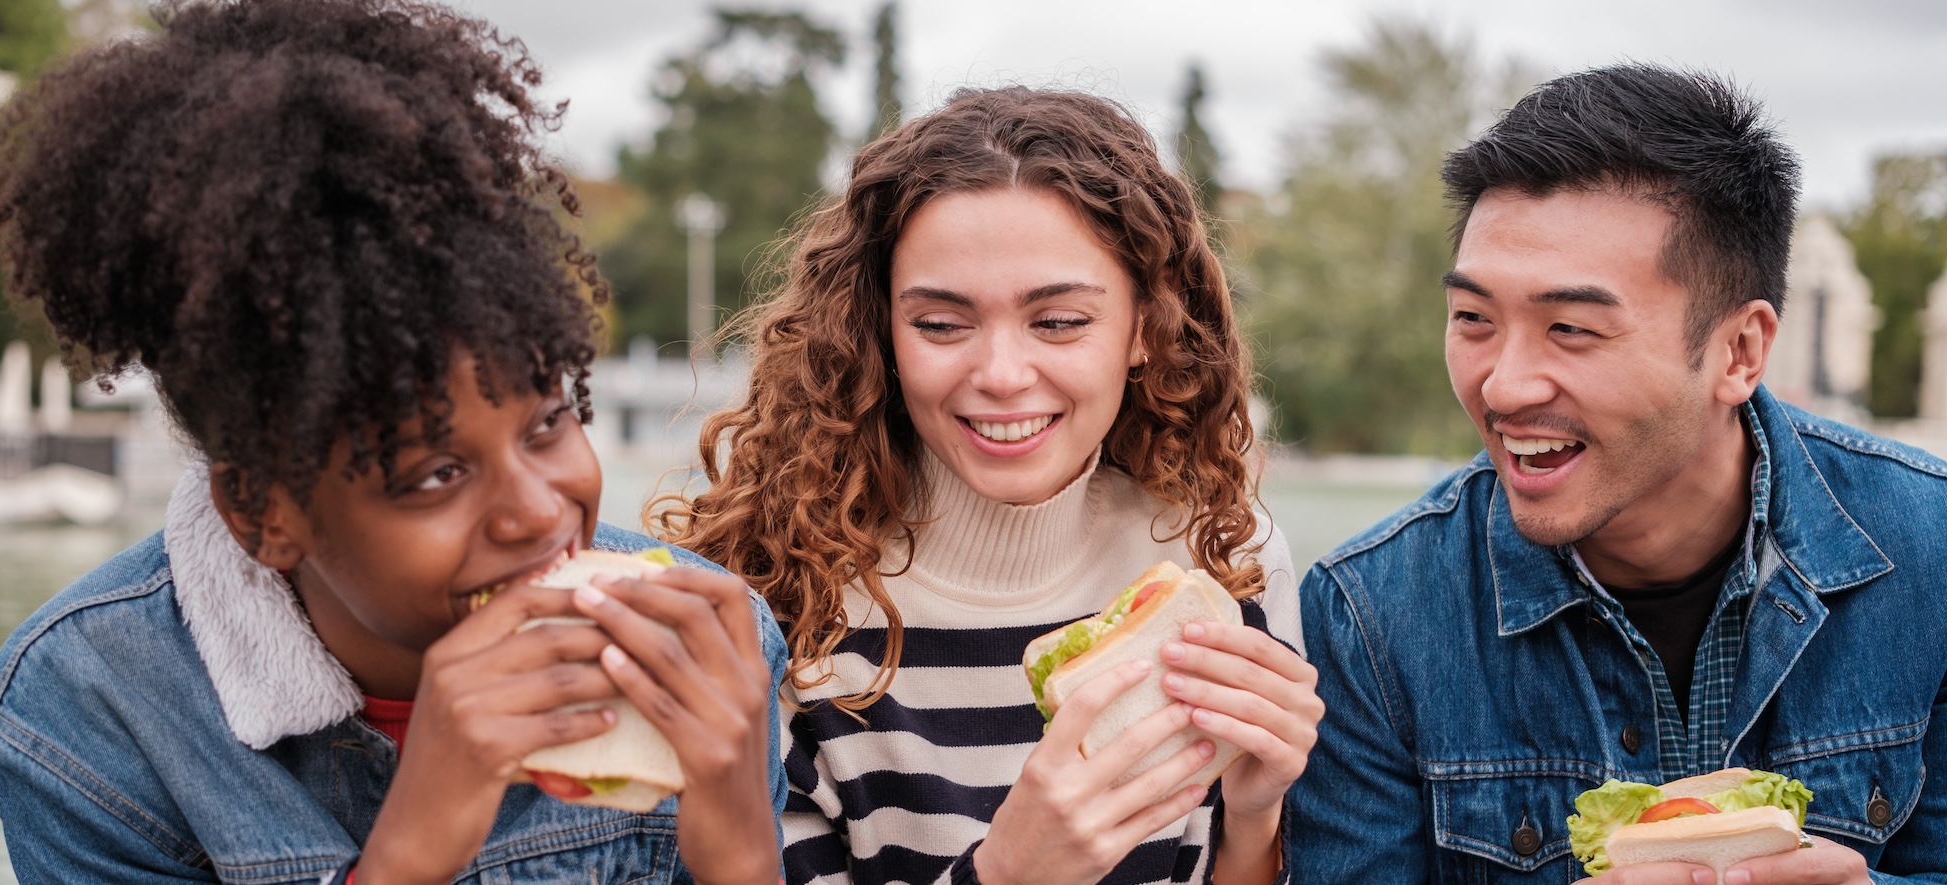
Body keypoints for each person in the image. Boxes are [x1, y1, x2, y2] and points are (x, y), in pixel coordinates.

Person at [0, 1, 783, 883]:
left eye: (549, 422)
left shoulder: (716, 646)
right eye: (435, 474)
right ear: (261, 511)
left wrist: (736, 840)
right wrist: (414, 845)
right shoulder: (84, 713)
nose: (538, 511)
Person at [1285, 64, 1947, 884]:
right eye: (1473, 319)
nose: (1503, 385)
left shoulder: (1932, 552)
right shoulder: (1368, 617)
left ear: (1739, 351)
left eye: (1570, 327)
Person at [647, 86, 1323, 885]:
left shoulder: (1229, 558)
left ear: (1147, 324)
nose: (1002, 375)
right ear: (880, 332)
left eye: (1060, 321)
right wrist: (1008, 871)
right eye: (941, 324)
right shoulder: (766, 606)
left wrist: (1254, 821)